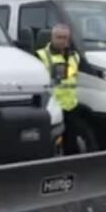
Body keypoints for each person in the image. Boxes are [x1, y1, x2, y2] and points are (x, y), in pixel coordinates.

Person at [36, 24, 89, 154]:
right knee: (50, 143)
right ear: (52, 38)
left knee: (71, 144)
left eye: (65, 38)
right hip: (51, 106)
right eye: (58, 37)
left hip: (70, 106)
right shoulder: (40, 55)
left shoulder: (75, 56)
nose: (62, 41)